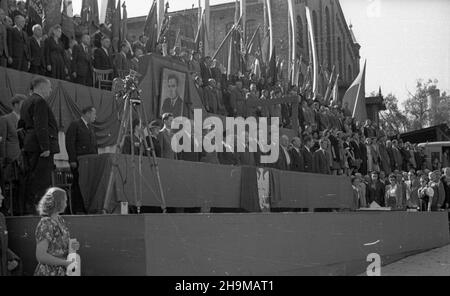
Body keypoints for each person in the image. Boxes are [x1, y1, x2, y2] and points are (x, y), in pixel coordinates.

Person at [20, 77, 59, 214]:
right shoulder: (40, 101)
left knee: (31, 179)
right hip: (40, 147)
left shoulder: (26, 102)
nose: (50, 90)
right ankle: (39, 211)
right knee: (41, 181)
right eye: (49, 87)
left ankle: (29, 209)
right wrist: (45, 147)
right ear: (42, 87)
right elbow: (41, 125)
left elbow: (21, 126)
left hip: (30, 145)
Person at [34, 188, 80, 276]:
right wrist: (65, 263)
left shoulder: (60, 220)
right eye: (65, 201)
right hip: (49, 272)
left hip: (62, 271)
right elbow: (41, 256)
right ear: (58, 202)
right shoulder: (46, 223)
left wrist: (72, 246)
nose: (66, 204)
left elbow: (60, 245)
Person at [65, 106, 98, 214]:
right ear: (87, 113)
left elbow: (94, 145)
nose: (95, 116)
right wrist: (72, 160)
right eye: (94, 114)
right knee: (78, 185)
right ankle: (77, 209)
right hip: (79, 161)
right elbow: (70, 143)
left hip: (91, 162)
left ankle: (86, 208)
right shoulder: (75, 125)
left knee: (88, 186)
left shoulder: (91, 127)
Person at [0, 94, 25, 215]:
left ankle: (21, 211)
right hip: (11, 159)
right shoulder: (6, 119)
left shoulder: (27, 119)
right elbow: (3, 140)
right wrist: (4, 158)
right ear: (15, 104)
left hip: (24, 160)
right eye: (22, 103)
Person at [0, 187, 21, 276]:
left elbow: (3, 247)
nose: (2, 197)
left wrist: (14, 259)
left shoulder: (1, 217)